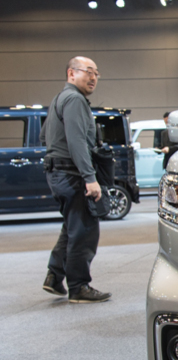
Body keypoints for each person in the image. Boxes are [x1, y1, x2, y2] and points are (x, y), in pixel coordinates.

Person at [40, 56, 111, 303]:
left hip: (58, 172)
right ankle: (79, 287)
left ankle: (54, 276)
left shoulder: (59, 99)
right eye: (88, 71)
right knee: (85, 230)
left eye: (96, 73)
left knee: (72, 226)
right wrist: (89, 178)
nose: (93, 77)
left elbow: (44, 136)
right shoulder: (74, 99)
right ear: (71, 73)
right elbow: (77, 140)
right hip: (72, 175)